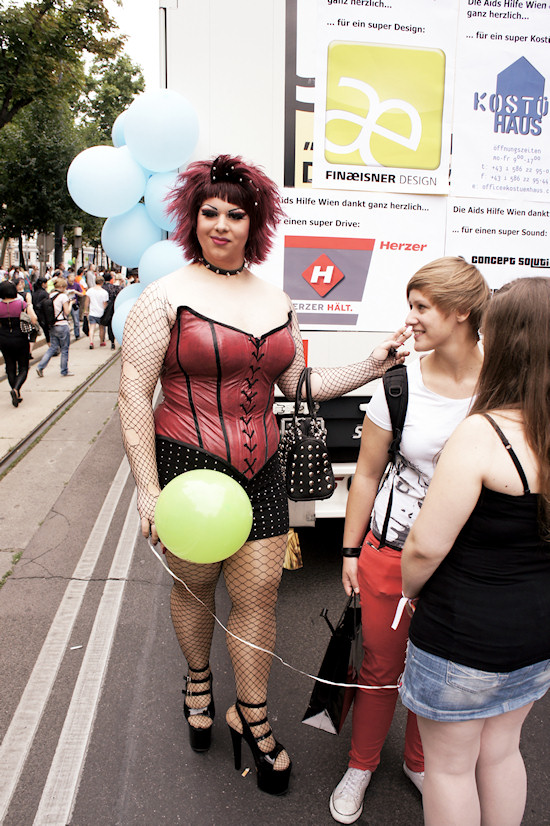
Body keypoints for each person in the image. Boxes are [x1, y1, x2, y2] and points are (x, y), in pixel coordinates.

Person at [118, 154, 408, 796]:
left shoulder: (275, 298)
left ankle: (252, 715)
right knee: (196, 590)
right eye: (210, 212)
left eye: (236, 214)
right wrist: (148, 487)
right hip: (187, 469)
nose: (222, 224)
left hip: (263, 472)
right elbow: (133, 394)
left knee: (258, 600)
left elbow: (297, 385)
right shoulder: (165, 297)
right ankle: (198, 679)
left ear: (256, 224)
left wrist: (372, 362)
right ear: (194, 220)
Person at [329, 257, 490, 824]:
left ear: (461, 313)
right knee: (379, 667)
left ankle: (422, 765)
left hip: (470, 562)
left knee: (439, 673)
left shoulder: (502, 381)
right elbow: (366, 474)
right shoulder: (400, 382)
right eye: (411, 305)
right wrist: (350, 550)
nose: (411, 319)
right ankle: (362, 765)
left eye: (422, 307)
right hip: (391, 552)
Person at [399, 277, 550, 826]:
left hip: (464, 635)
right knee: (504, 750)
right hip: (535, 633)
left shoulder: (483, 434)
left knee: (450, 767)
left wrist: (408, 590)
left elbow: (423, 548)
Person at [0, 279, 38, 406]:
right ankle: (16, 389)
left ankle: (15, 391)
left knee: (10, 366)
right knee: (23, 367)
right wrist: (30, 306)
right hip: (20, 338)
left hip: (4, 339)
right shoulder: (21, 304)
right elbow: (33, 319)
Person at [36, 276, 74, 378]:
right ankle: (64, 370)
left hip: (53, 325)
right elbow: (67, 312)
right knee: (64, 349)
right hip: (62, 325)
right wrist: (70, 304)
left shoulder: (49, 295)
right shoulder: (63, 297)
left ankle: (40, 366)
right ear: (61, 286)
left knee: (52, 347)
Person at [84, 274, 108, 349]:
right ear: (102, 282)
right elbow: (105, 303)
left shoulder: (90, 291)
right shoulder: (104, 292)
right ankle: (101, 341)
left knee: (92, 327)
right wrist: (104, 311)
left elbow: (86, 301)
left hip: (92, 312)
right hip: (101, 313)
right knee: (101, 328)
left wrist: (85, 310)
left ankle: (91, 341)